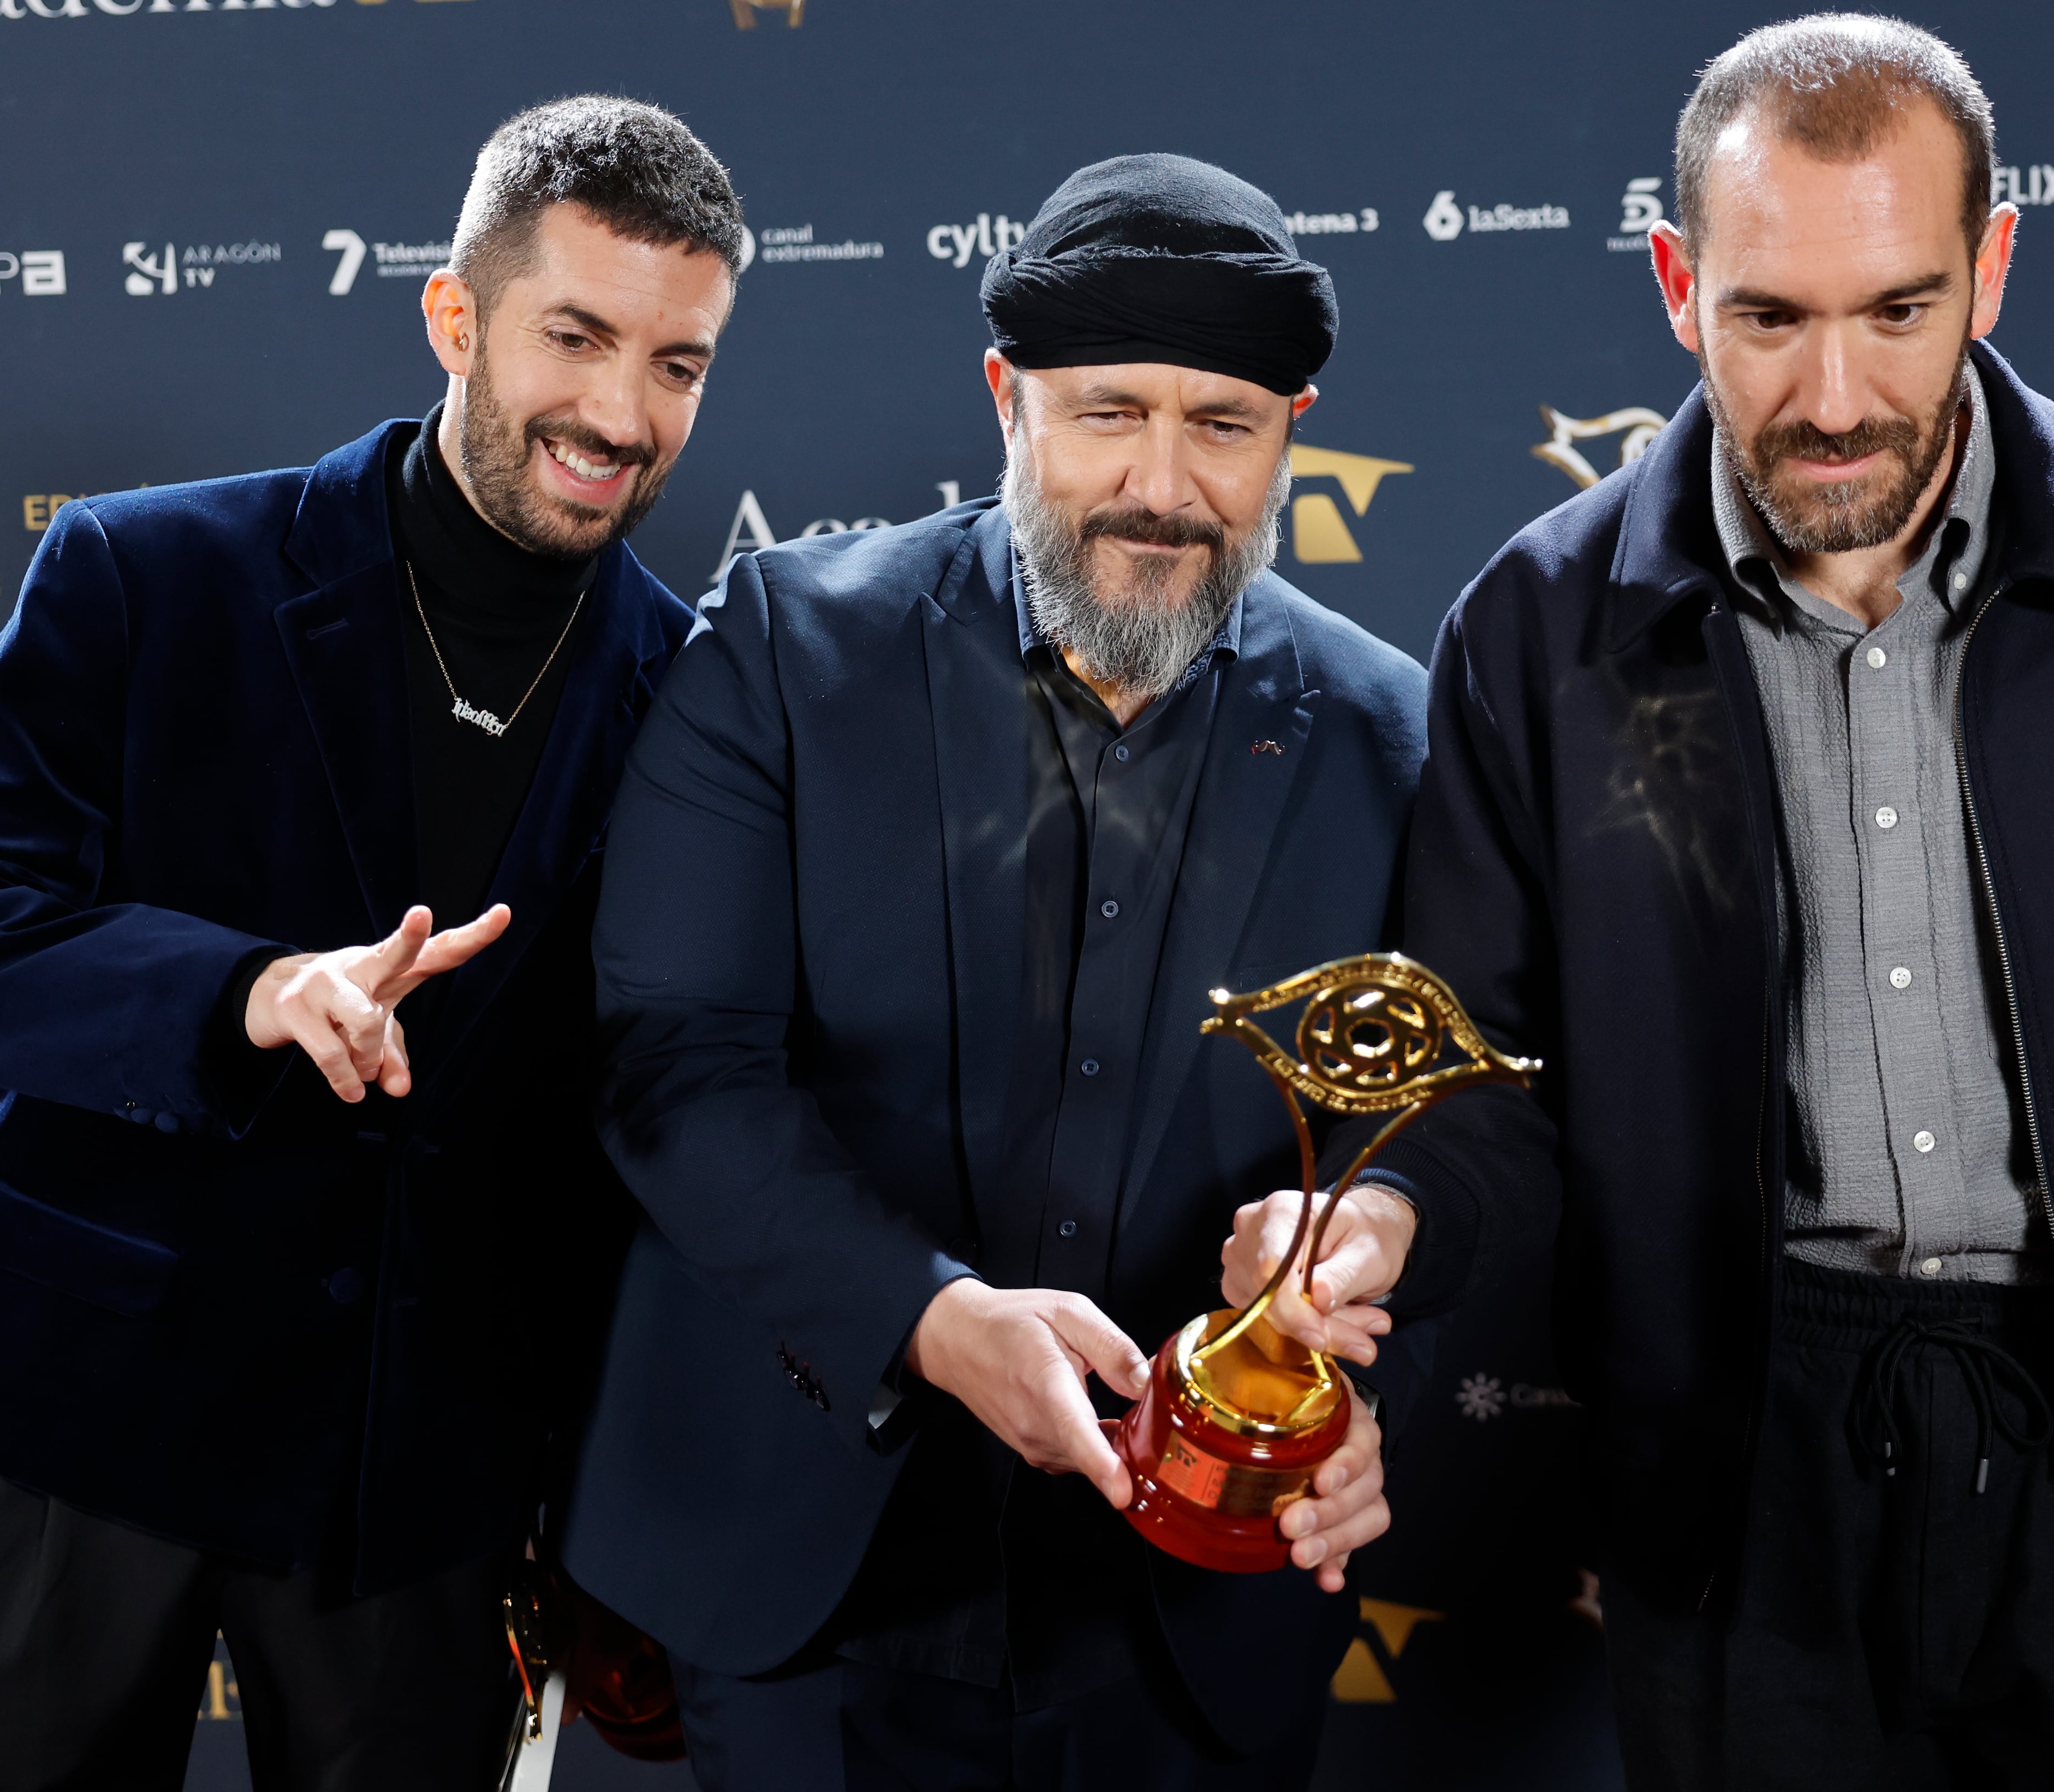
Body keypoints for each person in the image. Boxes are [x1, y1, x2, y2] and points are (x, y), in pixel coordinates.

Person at [1336, 14, 2054, 1791]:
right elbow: (1476, 1076)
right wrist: (1393, 1212)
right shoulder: (1535, 632)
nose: (1839, 397)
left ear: (1992, 268)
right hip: (1739, 1481)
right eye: (1768, 318)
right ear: (1673, 282)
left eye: (1899, 309)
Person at [0, 96, 740, 1791]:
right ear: (456, 317)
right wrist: (241, 990)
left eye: (678, 365)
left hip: (428, 1501)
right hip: (67, 1434)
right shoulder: (152, 570)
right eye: (578, 336)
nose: (621, 414)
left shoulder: (697, 692)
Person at [562, 153, 1434, 1792]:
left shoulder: (1395, 736)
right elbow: (672, 1066)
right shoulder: (781, 647)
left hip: (1196, 1620)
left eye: (1223, 425)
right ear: (1007, 399)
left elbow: (1459, 1140)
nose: (1161, 486)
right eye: (1109, 413)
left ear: (1291, 432)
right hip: (803, 1584)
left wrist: (1368, 1313)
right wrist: (935, 1317)